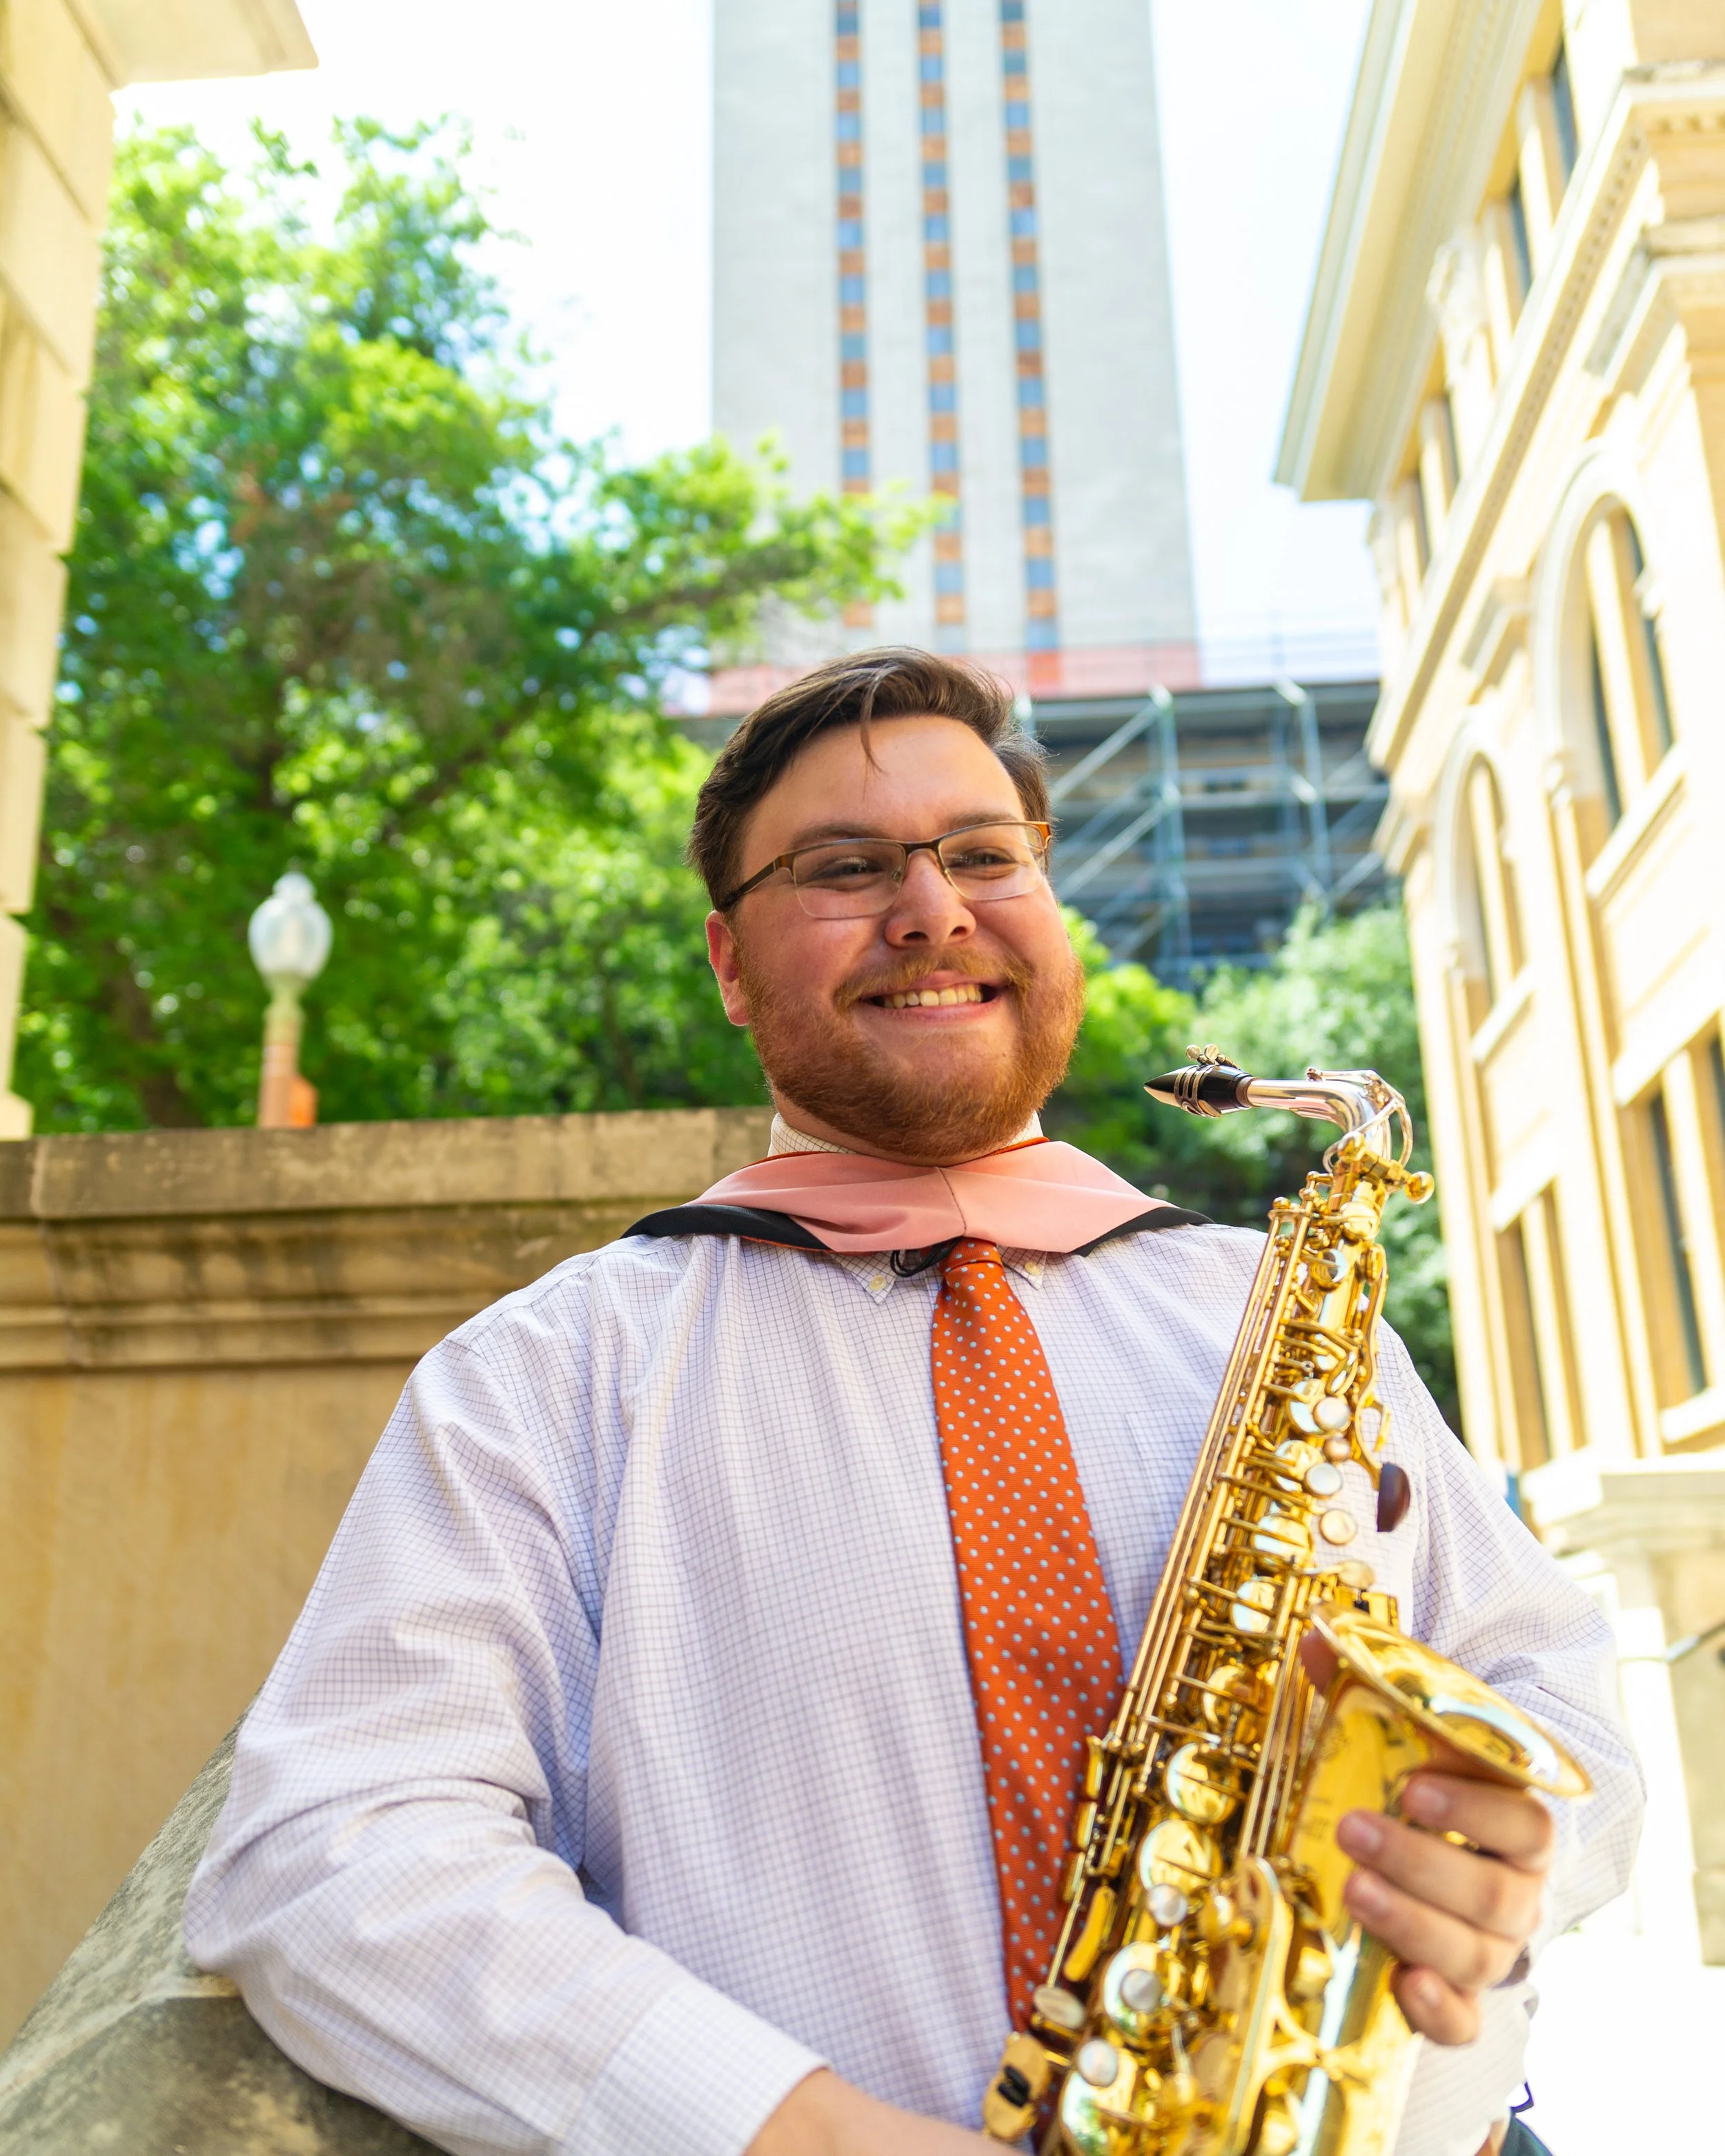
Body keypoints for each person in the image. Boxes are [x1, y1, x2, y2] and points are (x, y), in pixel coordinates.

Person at [186, 650, 1640, 2156]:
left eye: (982, 853)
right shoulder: (546, 1376)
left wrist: (1509, 1847)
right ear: (729, 962)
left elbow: (1548, 1690)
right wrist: (790, 2131)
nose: (933, 905)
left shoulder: (1277, 1308)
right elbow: (331, 1843)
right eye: (845, 865)